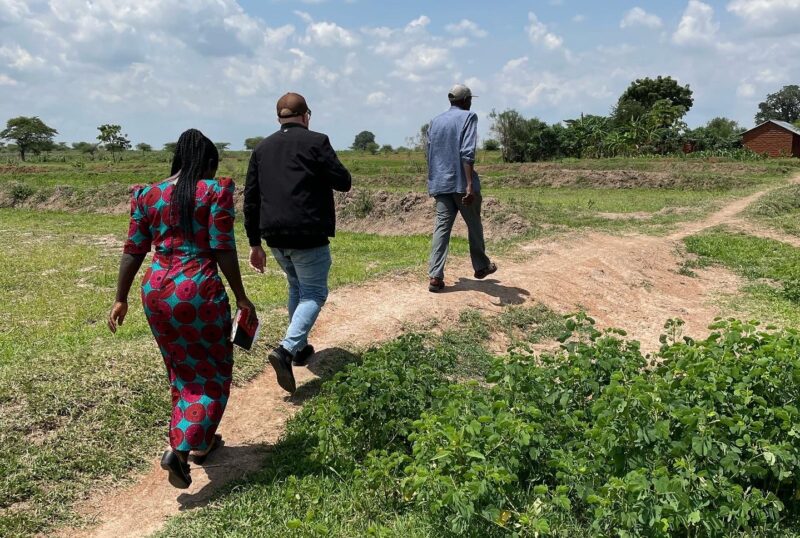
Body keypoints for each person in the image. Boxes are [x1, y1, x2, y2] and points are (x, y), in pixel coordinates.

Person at [108, 129, 256, 489]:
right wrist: (241, 295)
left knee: (181, 370)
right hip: (197, 291)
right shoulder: (214, 190)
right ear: (207, 161)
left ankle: (201, 443)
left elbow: (133, 249)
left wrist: (121, 297)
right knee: (213, 375)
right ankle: (180, 451)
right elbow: (222, 247)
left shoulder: (147, 194)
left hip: (156, 291)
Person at [244, 92, 351, 394]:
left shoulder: (262, 148)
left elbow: (250, 199)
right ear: (307, 116)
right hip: (308, 233)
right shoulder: (317, 142)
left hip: (273, 236)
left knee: (296, 287)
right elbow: (343, 181)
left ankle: (301, 348)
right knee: (314, 293)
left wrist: (254, 244)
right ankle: (287, 349)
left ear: (279, 118)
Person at [426, 83, 497, 292]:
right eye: (470, 99)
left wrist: (434, 180)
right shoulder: (468, 117)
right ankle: (481, 266)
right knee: (474, 224)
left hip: (441, 183)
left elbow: (429, 153)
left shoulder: (435, 121)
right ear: (465, 101)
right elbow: (467, 151)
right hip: (460, 183)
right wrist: (468, 185)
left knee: (441, 228)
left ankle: (435, 276)